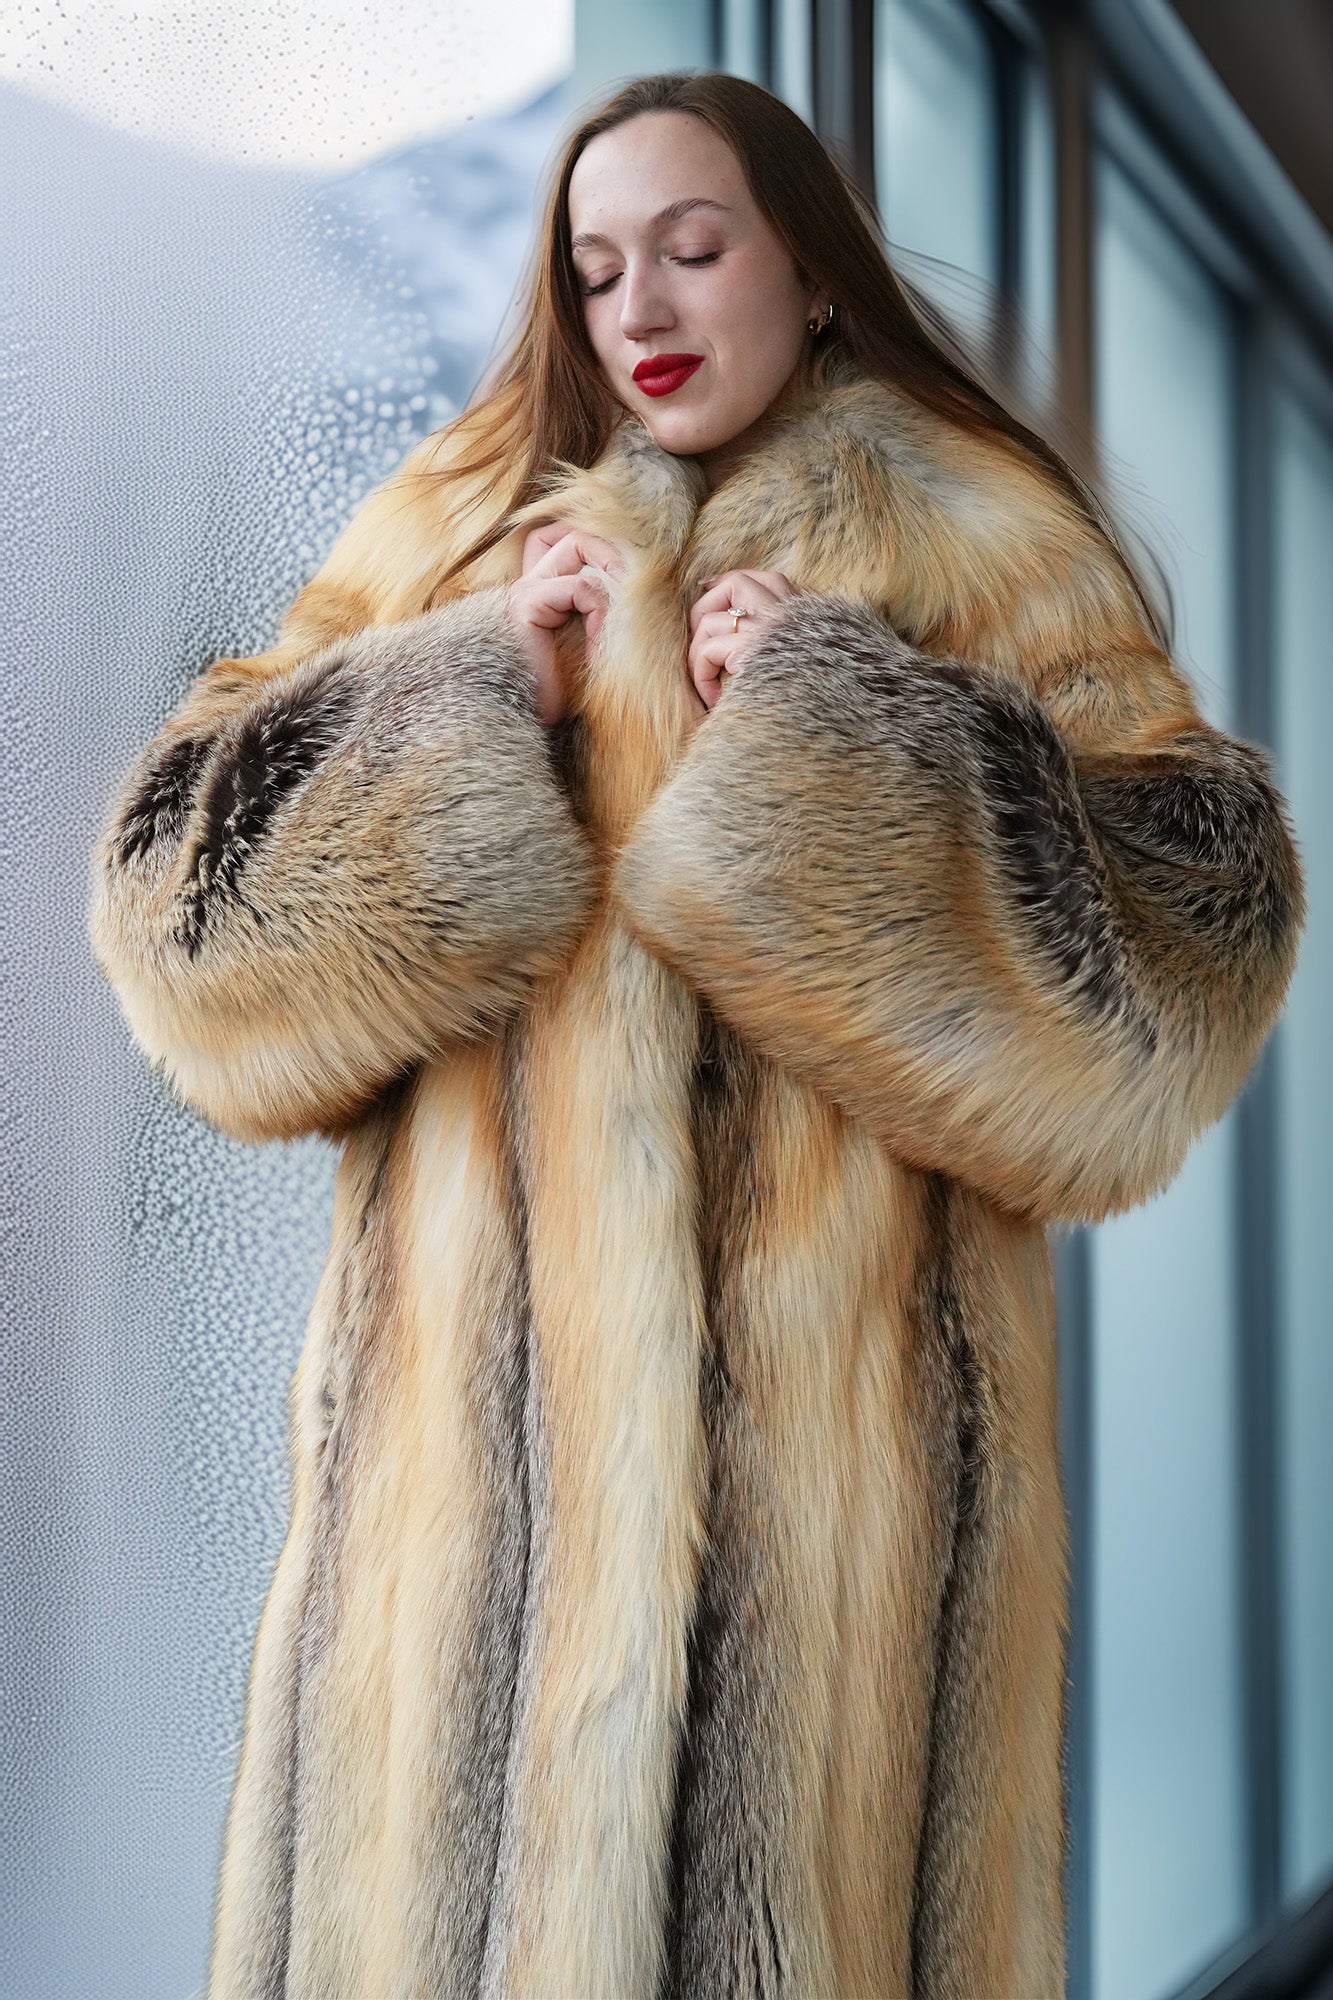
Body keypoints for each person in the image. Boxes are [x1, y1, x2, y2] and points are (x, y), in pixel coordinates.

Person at [88, 67, 1304, 2000]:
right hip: (446, 1601)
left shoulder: (980, 543)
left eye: (690, 247)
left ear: (808, 270)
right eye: (592, 271)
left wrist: (847, 728)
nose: (637, 311)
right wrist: (461, 688)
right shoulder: (448, 533)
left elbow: (1178, 974)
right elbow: (182, 934)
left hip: (836, 1584)